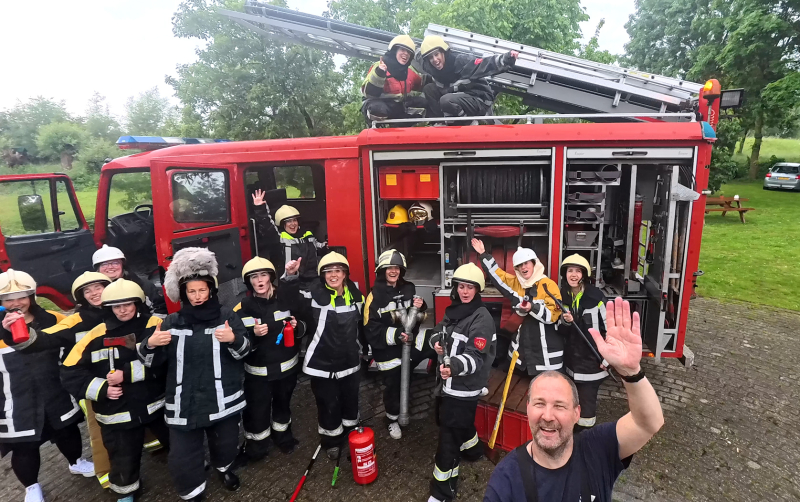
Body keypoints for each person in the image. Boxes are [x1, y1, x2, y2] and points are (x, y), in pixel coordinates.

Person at [483, 297, 664, 502]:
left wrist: (631, 372)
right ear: (528, 408)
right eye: (539, 403)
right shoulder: (506, 479)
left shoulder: (598, 450)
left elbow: (648, 423)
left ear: (577, 413)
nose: (548, 416)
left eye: (560, 406)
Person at [138, 247, 250, 501]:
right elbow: (150, 361)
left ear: (210, 290)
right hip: (184, 402)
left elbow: (244, 352)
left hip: (222, 399)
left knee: (225, 442)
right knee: (183, 456)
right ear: (184, 294)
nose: (198, 296)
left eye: (202, 290)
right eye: (192, 291)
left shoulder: (226, 316)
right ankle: (193, 492)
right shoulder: (171, 322)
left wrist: (233, 339)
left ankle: (224, 468)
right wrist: (151, 344)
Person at [0, 271, 113, 489]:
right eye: (8, 299)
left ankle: (76, 462)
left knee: (67, 431)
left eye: (22, 296)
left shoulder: (54, 319)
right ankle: (31, 488)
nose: (16, 303)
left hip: (55, 391)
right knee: (25, 446)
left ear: (32, 297)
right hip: (14, 398)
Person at [61, 279, 169, 502]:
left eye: (128, 304)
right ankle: (125, 491)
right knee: (122, 456)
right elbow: (70, 371)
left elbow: (168, 360)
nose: (123, 310)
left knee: (178, 442)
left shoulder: (155, 324)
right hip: (116, 411)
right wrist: (102, 389)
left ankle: (191, 469)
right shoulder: (95, 335)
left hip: (156, 404)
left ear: (137, 303)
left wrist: (126, 374)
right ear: (108, 307)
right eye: (117, 306)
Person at [427, 263, 496, 502]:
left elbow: (476, 357)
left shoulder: (482, 319)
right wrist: (436, 342)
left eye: (470, 287)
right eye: (461, 286)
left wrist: (453, 367)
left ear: (478, 290)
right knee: (457, 424)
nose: (465, 291)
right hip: (448, 384)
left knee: (448, 437)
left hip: (464, 387)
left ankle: (442, 490)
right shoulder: (454, 310)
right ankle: (474, 450)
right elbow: (438, 330)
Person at [233, 256, 305, 460]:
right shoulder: (242, 308)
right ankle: (255, 448)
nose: (260, 280)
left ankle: (283, 438)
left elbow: (304, 321)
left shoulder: (285, 301)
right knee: (257, 412)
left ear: (271, 278)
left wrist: (297, 326)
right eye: (254, 277)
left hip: (286, 371)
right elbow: (237, 343)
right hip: (258, 376)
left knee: (283, 406)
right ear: (249, 282)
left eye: (264, 275)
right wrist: (253, 335)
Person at [296, 252, 364, 460]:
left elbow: (360, 326)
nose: (333, 275)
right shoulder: (313, 295)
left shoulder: (356, 296)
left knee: (350, 400)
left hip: (349, 361)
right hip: (321, 362)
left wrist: (364, 349)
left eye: (337, 271)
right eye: (328, 272)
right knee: (328, 403)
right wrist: (290, 278)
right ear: (322, 275)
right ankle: (331, 441)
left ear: (345, 274)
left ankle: (352, 434)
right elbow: (295, 306)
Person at [363, 249, 435, 440]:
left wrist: (422, 306)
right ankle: (392, 419)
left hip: (409, 344)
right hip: (388, 351)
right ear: (382, 270)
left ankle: (442, 394)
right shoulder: (374, 297)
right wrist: (397, 335)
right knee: (394, 386)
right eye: (389, 268)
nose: (393, 271)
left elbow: (417, 316)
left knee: (437, 344)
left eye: (397, 268)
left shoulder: (408, 288)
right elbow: (370, 330)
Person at [472, 239, 563, 375]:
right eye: (519, 265)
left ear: (534, 263)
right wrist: (484, 254)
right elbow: (498, 275)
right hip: (522, 356)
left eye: (526, 263)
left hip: (545, 357)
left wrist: (532, 307)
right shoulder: (516, 283)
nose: (523, 268)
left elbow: (552, 316)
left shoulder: (548, 285)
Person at [419, 35, 519, 122]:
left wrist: (505, 59)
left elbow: (483, 64)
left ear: (443, 52)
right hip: (458, 98)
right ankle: (440, 122)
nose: (435, 60)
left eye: (436, 54)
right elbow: (416, 54)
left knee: (446, 100)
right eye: (431, 57)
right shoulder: (430, 67)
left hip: (479, 98)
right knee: (429, 89)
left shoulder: (460, 61)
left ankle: (467, 123)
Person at [559, 254, 609, 430]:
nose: (573, 275)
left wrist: (607, 358)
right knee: (572, 403)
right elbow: (561, 330)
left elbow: (610, 328)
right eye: (570, 270)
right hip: (572, 363)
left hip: (592, 363)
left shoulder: (596, 297)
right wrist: (565, 321)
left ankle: (585, 442)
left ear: (584, 275)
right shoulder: (562, 296)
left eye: (578, 271)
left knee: (587, 412)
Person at [361, 35, 427, 126]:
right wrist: (380, 73)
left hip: (398, 107)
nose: (406, 54)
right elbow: (370, 93)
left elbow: (423, 84)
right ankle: (379, 129)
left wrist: (438, 78)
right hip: (379, 104)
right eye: (402, 50)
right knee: (378, 108)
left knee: (424, 102)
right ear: (394, 50)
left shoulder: (408, 72)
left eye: (408, 52)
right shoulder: (379, 66)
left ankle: (405, 125)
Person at [93, 245, 167, 315]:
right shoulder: (93, 290)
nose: (110, 267)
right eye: (104, 264)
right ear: (98, 269)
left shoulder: (141, 284)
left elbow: (160, 308)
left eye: (115, 263)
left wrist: (153, 326)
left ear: (123, 265)